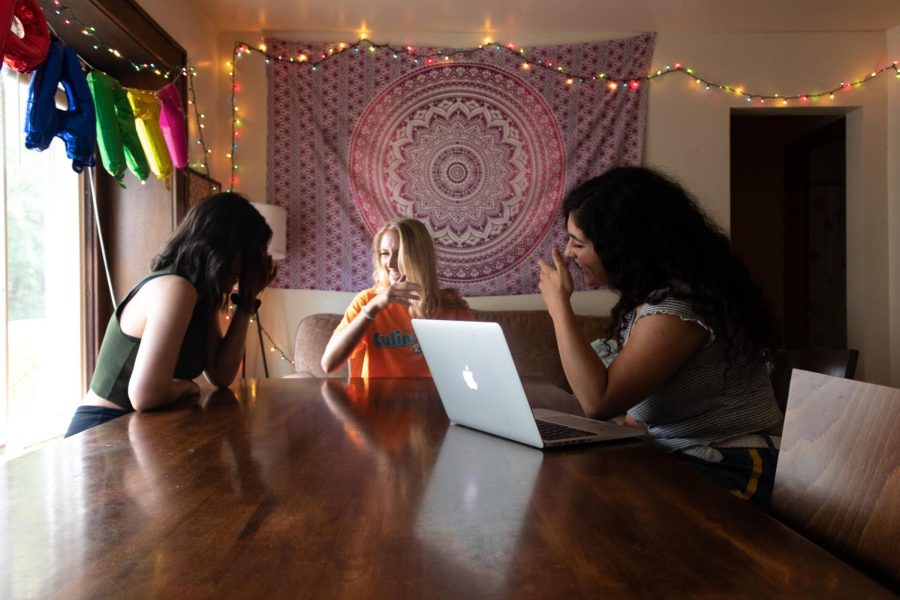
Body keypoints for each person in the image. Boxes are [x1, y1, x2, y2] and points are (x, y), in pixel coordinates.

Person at [538, 166, 783, 508]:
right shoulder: (652, 299)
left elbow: (599, 401)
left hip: (732, 465)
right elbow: (639, 415)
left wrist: (559, 306)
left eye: (578, 242)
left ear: (622, 246)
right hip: (684, 457)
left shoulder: (677, 308)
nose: (567, 253)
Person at [65, 192, 275, 436]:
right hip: (104, 429)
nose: (248, 267)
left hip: (140, 429)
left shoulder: (200, 294)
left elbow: (220, 374)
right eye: (249, 255)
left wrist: (246, 302)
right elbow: (145, 395)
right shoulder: (175, 288)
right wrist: (184, 388)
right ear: (226, 248)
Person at [321, 218, 473, 377]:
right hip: (377, 401)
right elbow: (328, 364)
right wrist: (373, 308)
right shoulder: (367, 301)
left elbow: (472, 369)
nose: (390, 264)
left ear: (420, 257)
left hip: (430, 401)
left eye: (400, 253)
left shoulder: (450, 306)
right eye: (385, 253)